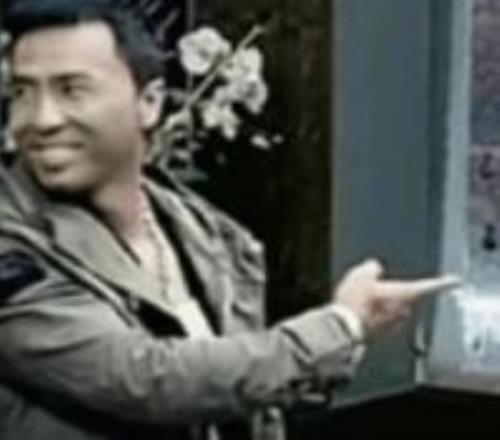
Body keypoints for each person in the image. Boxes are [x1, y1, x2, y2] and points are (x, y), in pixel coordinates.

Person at [0, 1, 459, 439]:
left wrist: (348, 340)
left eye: (71, 90)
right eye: (21, 93)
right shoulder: (12, 239)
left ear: (150, 102)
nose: (40, 119)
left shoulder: (205, 231)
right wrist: (339, 327)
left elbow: (237, 390)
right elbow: (145, 379)